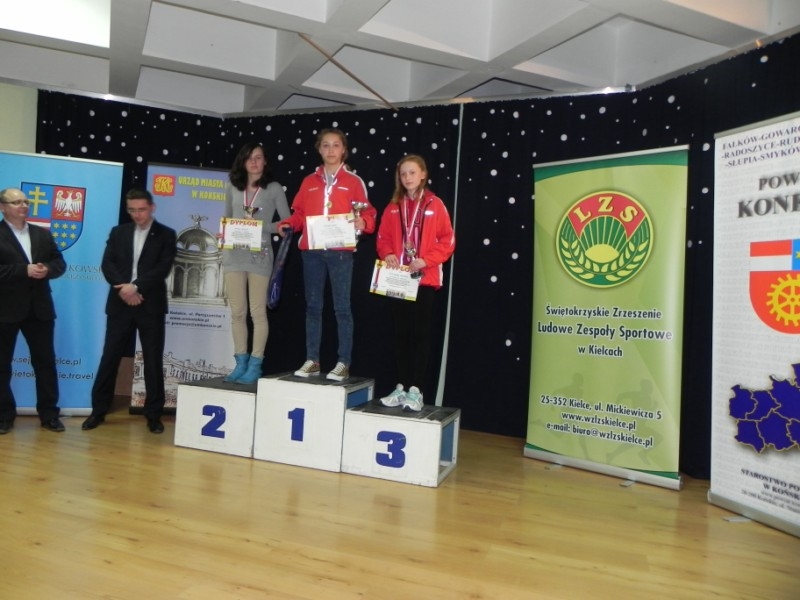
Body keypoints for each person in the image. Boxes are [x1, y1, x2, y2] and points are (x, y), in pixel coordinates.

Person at [279, 128, 376, 381]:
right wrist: (288, 223)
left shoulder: (354, 181)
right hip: (312, 252)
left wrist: (364, 223)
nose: (331, 150)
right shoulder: (308, 182)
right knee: (313, 307)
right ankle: (312, 359)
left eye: (336, 145)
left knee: (342, 308)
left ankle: (343, 362)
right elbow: (299, 215)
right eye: (325, 145)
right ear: (319, 149)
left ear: (344, 150)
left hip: (340, 253)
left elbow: (368, 213)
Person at [82, 188, 177, 434]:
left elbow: (163, 267)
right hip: (120, 303)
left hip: (150, 304)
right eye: (132, 210)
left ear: (152, 207)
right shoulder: (118, 232)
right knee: (110, 357)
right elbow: (107, 264)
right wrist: (125, 288)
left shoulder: (166, 234)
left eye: (142, 209)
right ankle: (98, 411)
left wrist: (136, 287)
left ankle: (153, 415)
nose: (137, 214)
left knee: (152, 360)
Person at [376, 155, 455, 411]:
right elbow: (382, 238)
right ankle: (401, 386)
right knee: (401, 335)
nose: (407, 177)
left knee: (420, 335)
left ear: (423, 175)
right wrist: (387, 253)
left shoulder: (435, 204)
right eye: (403, 174)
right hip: (398, 279)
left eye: (412, 172)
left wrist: (426, 260)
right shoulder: (393, 207)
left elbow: (448, 240)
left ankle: (416, 390)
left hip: (424, 279)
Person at [221, 142, 290, 384]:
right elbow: (227, 219)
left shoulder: (273, 188)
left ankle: (255, 365)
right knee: (237, 313)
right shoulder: (231, 186)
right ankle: (240, 363)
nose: (254, 162)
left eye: (258, 157)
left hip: (259, 256)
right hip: (233, 256)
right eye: (249, 157)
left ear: (265, 161)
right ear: (242, 161)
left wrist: (259, 226)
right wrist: (224, 233)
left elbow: (287, 222)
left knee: (257, 313)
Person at [0, 188, 67, 434]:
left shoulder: (42, 234)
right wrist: (23, 270)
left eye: (25, 201)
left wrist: (47, 269)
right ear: (2, 207)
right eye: (16, 202)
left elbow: (59, 263)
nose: (23, 205)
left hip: (40, 308)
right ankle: (4, 415)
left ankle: (49, 415)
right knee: (2, 365)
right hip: (5, 309)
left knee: (45, 363)